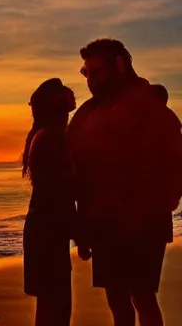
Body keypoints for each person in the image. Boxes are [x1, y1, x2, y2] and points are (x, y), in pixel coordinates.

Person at [67, 39, 182, 326]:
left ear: (119, 65)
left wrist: (164, 203)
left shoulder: (151, 108)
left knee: (142, 297)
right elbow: (76, 174)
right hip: (104, 225)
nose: (90, 81)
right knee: (118, 303)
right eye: (87, 74)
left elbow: (175, 158)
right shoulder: (87, 115)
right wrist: (82, 229)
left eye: (96, 73)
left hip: (145, 224)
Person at [22, 78, 78, 326]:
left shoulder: (48, 135)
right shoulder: (49, 139)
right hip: (47, 231)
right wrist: (80, 231)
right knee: (55, 305)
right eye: (65, 104)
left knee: (53, 304)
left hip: (46, 230)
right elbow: (60, 191)